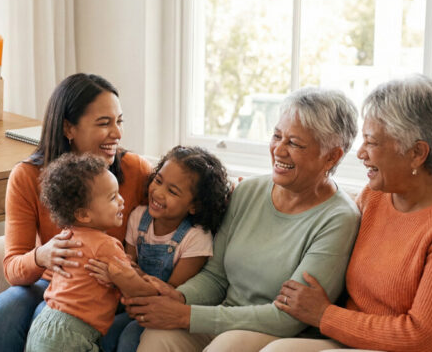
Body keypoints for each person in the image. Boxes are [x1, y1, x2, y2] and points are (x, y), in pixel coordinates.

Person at [266, 74, 432, 352]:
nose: (360, 153)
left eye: (372, 142)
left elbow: (425, 339)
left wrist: (325, 316)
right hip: (353, 338)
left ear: (417, 153)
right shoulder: (376, 194)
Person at [126, 87, 361, 352]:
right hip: (225, 316)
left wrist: (186, 314)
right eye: (277, 136)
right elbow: (215, 277)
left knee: (227, 346)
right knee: (158, 335)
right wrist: (179, 297)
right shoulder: (248, 191)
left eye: (294, 143)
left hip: (282, 333)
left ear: (332, 156)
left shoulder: (338, 218)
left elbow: (289, 316)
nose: (279, 150)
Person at [0, 73, 153, 352]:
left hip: (108, 289)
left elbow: (179, 195)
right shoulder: (27, 176)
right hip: (53, 284)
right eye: (104, 123)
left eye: (119, 121)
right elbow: (13, 268)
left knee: (47, 321)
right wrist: (42, 255)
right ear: (68, 128)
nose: (117, 134)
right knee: (5, 309)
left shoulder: (135, 170)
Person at [87, 145, 231, 352]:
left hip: (164, 309)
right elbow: (128, 263)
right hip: (131, 299)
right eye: (158, 181)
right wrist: (123, 274)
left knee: (129, 338)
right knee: (104, 331)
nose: (158, 192)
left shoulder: (196, 238)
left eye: (172, 191)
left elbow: (170, 292)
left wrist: (128, 275)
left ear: (195, 205)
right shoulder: (138, 216)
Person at [26, 153, 158, 352]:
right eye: (113, 197)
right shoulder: (106, 246)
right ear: (83, 214)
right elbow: (140, 292)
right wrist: (153, 290)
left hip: (42, 325)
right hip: (73, 336)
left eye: (118, 193)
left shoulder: (66, 237)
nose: (122, 201)